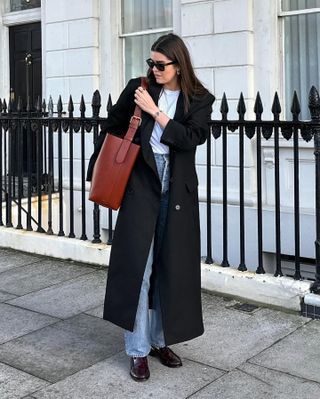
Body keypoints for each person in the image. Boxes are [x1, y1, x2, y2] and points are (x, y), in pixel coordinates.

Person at [87, 33, 215, 382]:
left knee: (168, 267)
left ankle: (160, 340)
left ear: (178, 65)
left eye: (161, 64)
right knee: (139, 269)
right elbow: (112, 126)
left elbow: (190, 138)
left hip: (177, 190)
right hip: (141, 183)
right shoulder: (138, 87)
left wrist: (155, 112)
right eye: (151, 63)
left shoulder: (200, 99)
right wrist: (100, 166)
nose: (154, 70)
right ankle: (138, 350)